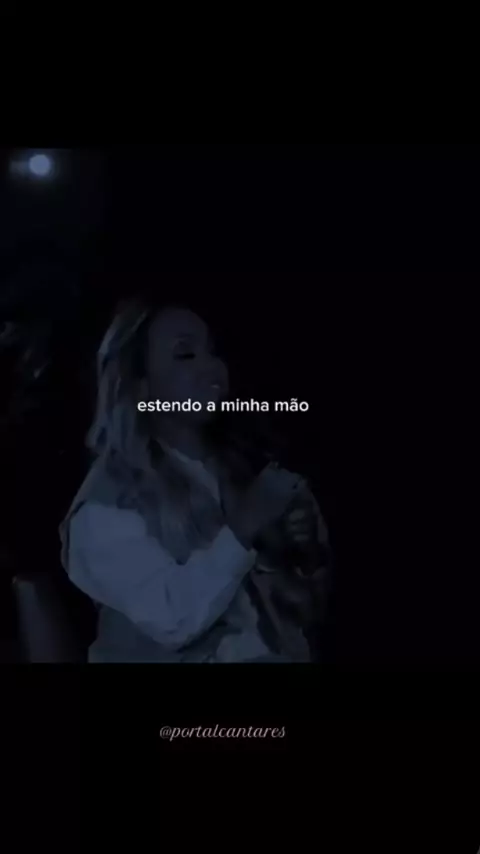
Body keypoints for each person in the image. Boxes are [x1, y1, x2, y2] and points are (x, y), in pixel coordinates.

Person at [59, 298, 331, 662]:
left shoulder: (246, 469)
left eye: (212, 351)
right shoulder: (106, 505)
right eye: (185, 355)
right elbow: (172, 617)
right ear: (140, 386)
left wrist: (306, 552)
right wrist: (244, 526)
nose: (211, 367)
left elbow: (307, 615)